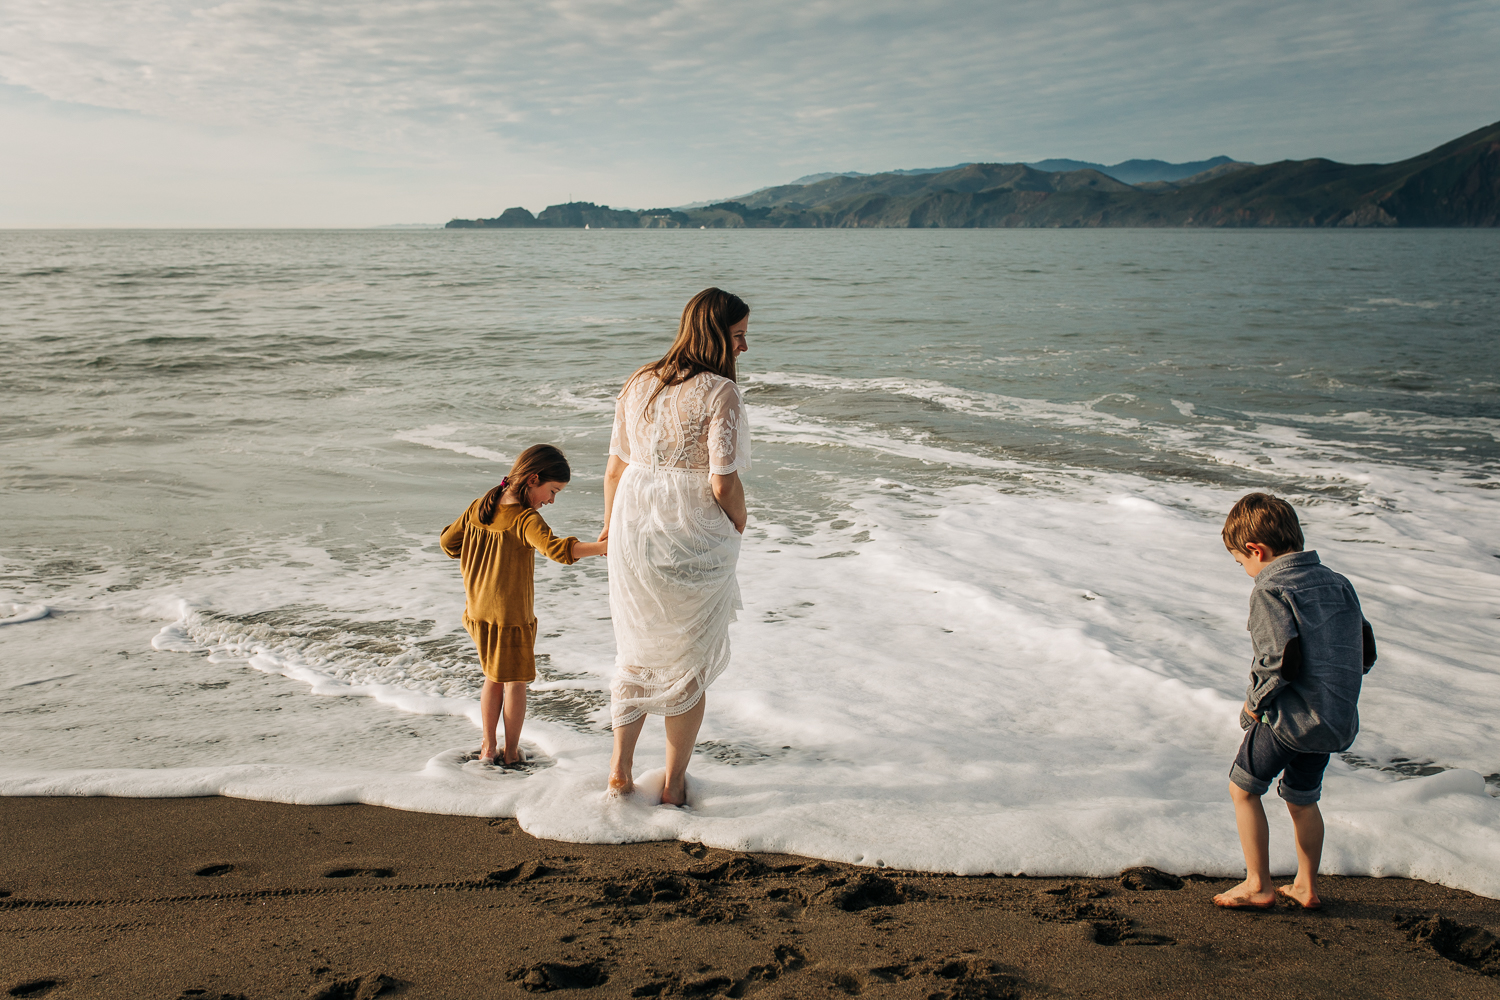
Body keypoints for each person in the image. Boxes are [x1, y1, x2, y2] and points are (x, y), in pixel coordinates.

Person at [600, 287, 751, 806]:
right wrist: (740, 523)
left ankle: (619, 774)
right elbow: (722, 483)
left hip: (633, 529)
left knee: (636, 653)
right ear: (715, 335)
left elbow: (616, 468)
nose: (744, 348)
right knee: (686, 661)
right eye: (738, 337)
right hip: (691, 535)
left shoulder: (639, 381)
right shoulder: (719, 393)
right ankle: (673, 784)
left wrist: (607, 529)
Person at [1213, 492, 1376, 911]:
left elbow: (1276, 662)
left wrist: (1253, 705)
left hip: (1291, 720)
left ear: (1256, 550)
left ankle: (1258, 884)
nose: (1246, 572)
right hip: (1334, 719)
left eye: (1242, 563)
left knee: (1243, 789)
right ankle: (1305, 885)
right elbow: (1365, 650)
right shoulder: (1339, 583)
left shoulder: (1271, 589)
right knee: (1303, 798)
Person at [440, 445, 606, 766]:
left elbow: (448, 544)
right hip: (510, 618)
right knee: (515, 682)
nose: (551, 500)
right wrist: (601, 547)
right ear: (532, 479)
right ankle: (512, 753)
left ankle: (488, 747)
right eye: (552, 490)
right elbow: (557, 550)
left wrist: (480, 552)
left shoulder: (479, 508)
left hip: (477, 613)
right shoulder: (525, 519)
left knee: (492, 676)